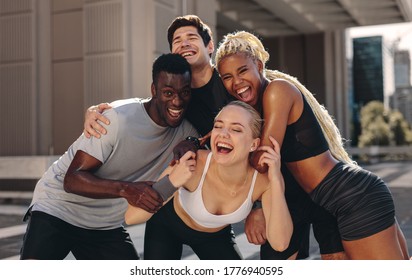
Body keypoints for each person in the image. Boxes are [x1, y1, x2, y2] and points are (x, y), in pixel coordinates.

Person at [83, 15, 346, 260]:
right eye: (177, 41)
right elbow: (147, 105)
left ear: (210, 47)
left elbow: (266, 124)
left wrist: (257, 206)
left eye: (192, 38)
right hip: (197, 201)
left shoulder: (234, 83)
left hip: (286, 182)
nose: (184, 43)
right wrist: (103, 108)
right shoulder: (180, 93)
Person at [214, 30, 410, 259]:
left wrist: (226, 143)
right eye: (227, 77)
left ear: (258, 65)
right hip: (335, 202)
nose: (236, 82)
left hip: (353, 197)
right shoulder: (257, 110)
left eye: (242, 70)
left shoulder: (278, 91)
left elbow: (263, 159)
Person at [20, 53, 199, 260]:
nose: (177, 101)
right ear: (154, 90)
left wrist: (193, 143)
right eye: (168, 93)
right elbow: (72, 179)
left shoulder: (187, 132)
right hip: (58, 208)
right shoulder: (117, 119)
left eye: (184, 92)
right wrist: (128, 189)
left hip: (104, 225)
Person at [125, 101, 293, 259]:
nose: (223, 134)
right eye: (218, 126)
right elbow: (131, 217)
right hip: (166, 227)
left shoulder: (264, 181)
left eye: (236, 129)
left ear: (254, 144)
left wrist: (276, 180)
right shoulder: (193, 163)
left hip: (214, 237)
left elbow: (280, 243)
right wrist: (172, 182)